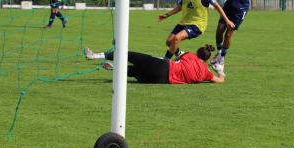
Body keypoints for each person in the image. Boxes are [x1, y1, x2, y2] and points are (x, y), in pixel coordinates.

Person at [158, 0, 235, 60]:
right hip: (184, 22)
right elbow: (179, 7)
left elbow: (217, 6)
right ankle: (179, 54)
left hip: (197, 25)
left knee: (176, 38)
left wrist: (227, 20)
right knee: (169, 42)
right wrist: (166, 15)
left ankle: (165, 61)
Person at [85, 45, 225, 84]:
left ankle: (95, 56)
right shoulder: (205, 73)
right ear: (206, 60)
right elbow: (219, 80)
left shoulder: (189, 55)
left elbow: (175, 48)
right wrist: (220, 70)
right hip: (161, 81)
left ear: (197, 53)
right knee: (134, 72)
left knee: (129, 55)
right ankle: (115, 68)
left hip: (163, 66)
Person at [208, 0, 252, 72]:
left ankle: (221, 59)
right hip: (228, 6)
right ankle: (219, 54)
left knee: (228, 34)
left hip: (240, 10)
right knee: (219, 32)